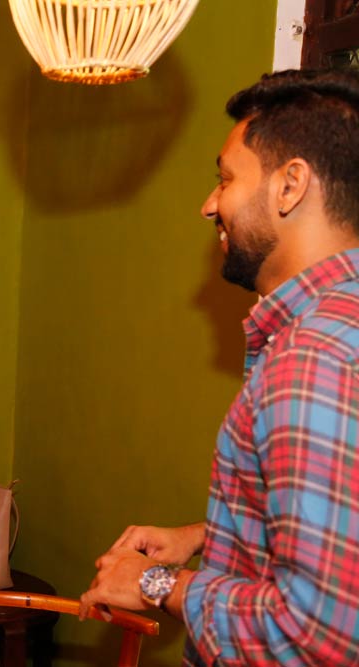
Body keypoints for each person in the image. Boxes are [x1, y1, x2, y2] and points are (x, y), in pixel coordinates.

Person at [79, 68, 359, 666]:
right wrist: (208, 534)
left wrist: (155, 583)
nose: (210, 205)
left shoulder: (311, 360)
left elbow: (318, 634)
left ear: (290, 186)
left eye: (226, 179)